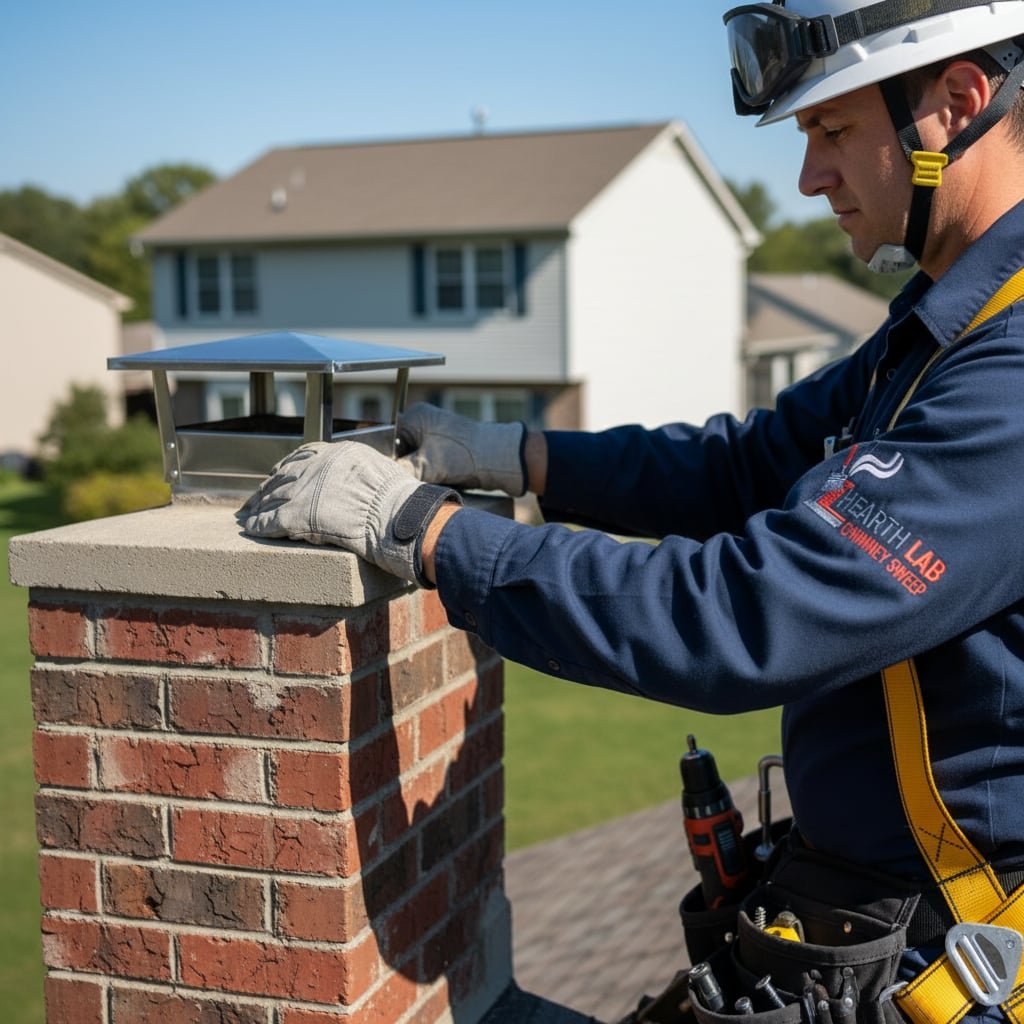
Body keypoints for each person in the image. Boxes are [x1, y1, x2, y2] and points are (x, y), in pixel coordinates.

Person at [241, 1, 1024, 1020]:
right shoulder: (933, 336)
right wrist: (520, 456)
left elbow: (745, 617)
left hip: (942, 955)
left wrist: (428, 532)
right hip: (859, 906)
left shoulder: (1004, 377)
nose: (809, 178)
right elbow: (743, 466)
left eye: (831, 132)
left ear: (956, 102)